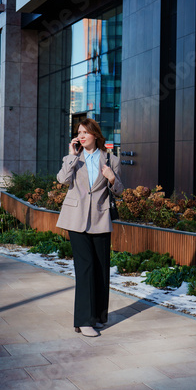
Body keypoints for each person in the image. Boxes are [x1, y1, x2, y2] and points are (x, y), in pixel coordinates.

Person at [56, 118, 124, 337]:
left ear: (95, 134)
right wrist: (72, 156)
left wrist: (112, 178)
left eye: (85, 132)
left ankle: (99, 316)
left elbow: (120, 189)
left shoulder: (111, 159)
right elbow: (62, 180)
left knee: (101, 269)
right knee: (85, 269)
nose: (82, 135)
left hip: (101, 218)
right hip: (75, 219)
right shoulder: (74, 158)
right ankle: (84, 321)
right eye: (79, 132)